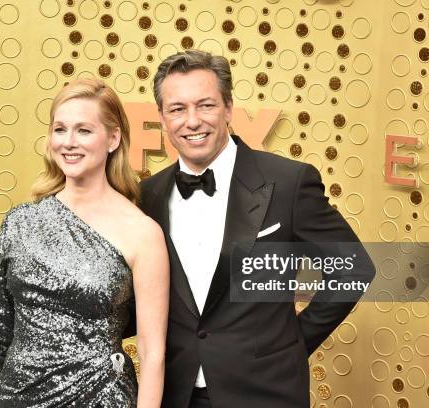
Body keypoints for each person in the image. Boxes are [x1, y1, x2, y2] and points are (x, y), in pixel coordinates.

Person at [139, 50, 375, 407]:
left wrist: (293, 342)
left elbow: (354, 268)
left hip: (266, 393)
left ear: (229, 108)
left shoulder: (289, 182)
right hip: (178, 395)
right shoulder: (147, 196)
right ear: (161, 117)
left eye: (206, 105)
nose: (192, 121)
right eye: (177, 109)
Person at [0, 79, 169, 407]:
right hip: (16, 397)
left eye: (84, 130)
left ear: (113, 138)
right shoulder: (20, 223)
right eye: (60, 129)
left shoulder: (142, 232)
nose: (69, 142)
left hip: (100, 397)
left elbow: (153, 352)